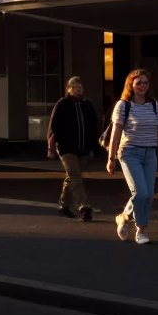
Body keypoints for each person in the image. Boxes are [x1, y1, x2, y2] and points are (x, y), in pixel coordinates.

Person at [106, 68, 158, 244]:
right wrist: (111, 158)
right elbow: (116, 133)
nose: (142, 86)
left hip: (150, 153)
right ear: (131, 84)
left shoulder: (154, 105)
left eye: (145, 83)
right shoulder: (123, 105)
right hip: (130, 152)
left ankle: (132, 224)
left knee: (149, 194)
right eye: (139, 83)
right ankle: (138, 227)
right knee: (140, 192)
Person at [46, 76, 99, 221]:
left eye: (80, 86)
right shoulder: (63, 104)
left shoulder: (87, 104)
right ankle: (84, 206)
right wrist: (51, 146)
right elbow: (53, 126)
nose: (79, 88)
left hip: (83, 150)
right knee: (76, 177)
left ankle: (64, 206)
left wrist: (93, 148)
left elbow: (93, 127)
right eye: (75, 86)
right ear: (69, 88)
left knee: (72, 178)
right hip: (66, 149)